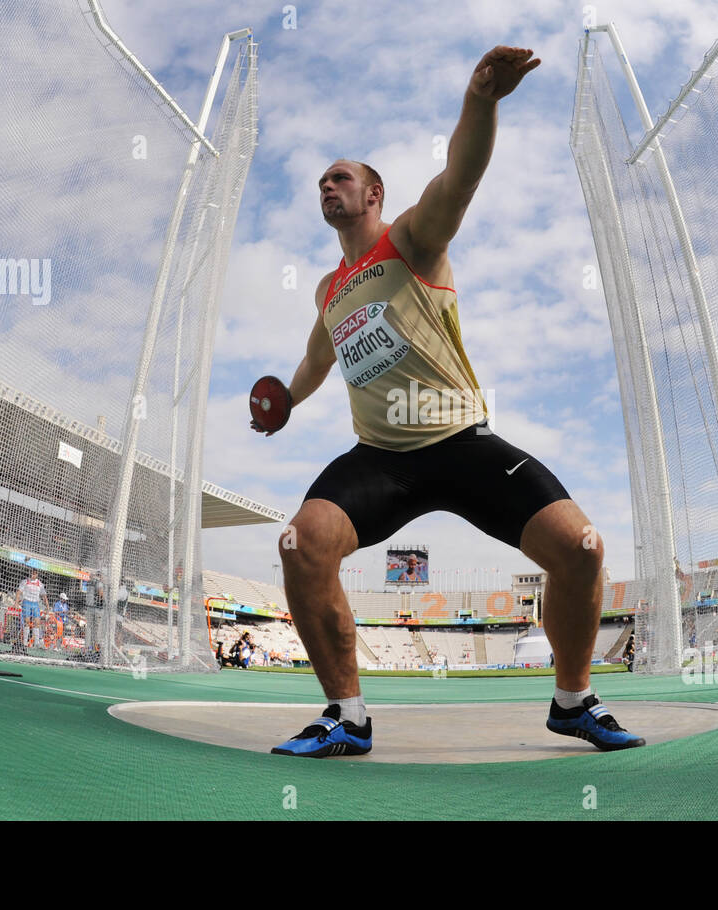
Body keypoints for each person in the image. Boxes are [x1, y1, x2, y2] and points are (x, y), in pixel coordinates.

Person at [259, 46, 643, 758]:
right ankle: (346, 716)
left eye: (339, 177)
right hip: (381, 458)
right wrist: (283, 400)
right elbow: (315, 362)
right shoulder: (328, 289)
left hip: (461, 442)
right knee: (301, 543)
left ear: (373, 194)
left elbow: (460, 178)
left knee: (583, 549)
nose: (326, 186)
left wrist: (482, 101)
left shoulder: (412, 238)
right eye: (319, 182)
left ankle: (573, 701)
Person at [15, 567, 49, 648]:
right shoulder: (25, 582)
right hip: (26, 602)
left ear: (37, 574)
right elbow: (18, 592)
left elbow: (44, 596)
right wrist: (16, 602)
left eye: (34, 573)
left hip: (35, 604)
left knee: (37, 623)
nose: (33, 575)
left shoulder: (40, 584)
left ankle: (37, 643)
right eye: (32, 573)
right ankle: (25, 642)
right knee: (27, 622)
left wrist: (47, 606)